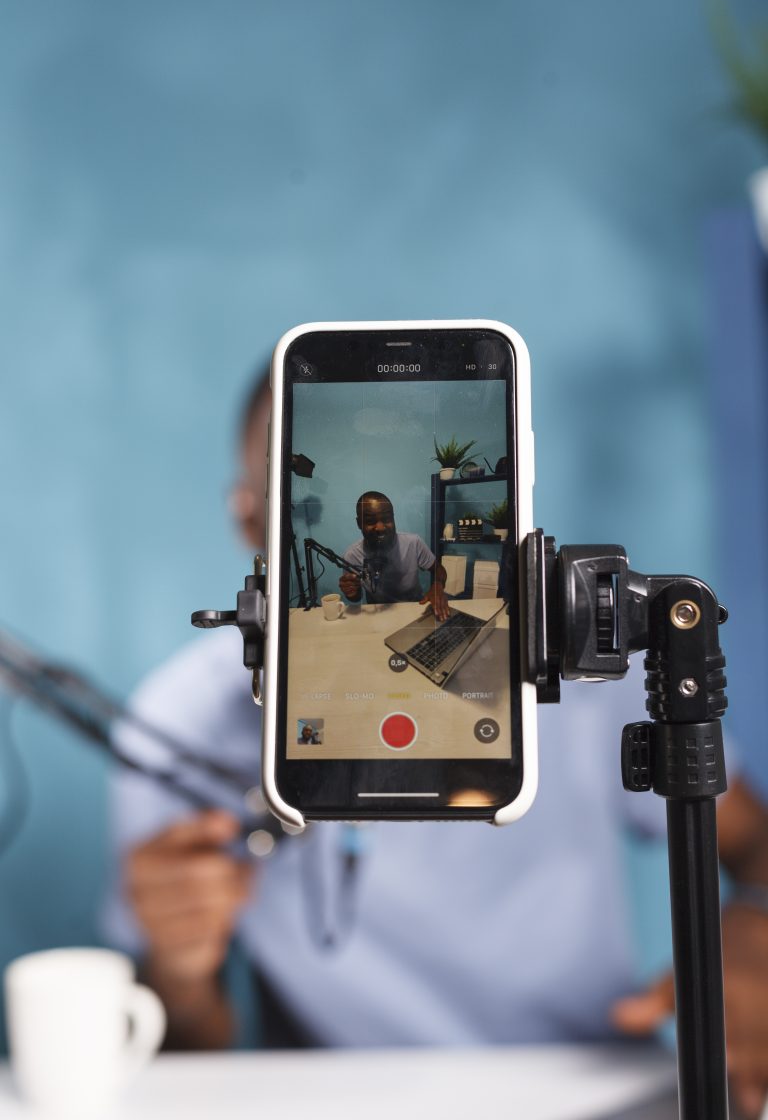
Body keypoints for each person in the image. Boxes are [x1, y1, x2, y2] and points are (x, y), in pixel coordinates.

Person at [102, 369, 768, 1118]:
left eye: (384, 512)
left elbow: (757, 845)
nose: (378, 523)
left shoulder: (579, 663)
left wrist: (753, 932)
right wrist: (178, 972)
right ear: (249, 518)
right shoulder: (176, 723)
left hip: (597, 1082)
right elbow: (183, 1063)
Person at [338, 491, 449, 620]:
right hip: (378, 616)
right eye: (370, 521)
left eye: (386, 519)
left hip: (415, 611)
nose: (380, 527)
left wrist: (438, 585)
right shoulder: (352, 555)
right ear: (359, 523)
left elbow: (439, 570)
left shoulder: (413, 543)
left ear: (393, 518)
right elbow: (356, 598)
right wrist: (350, 591)